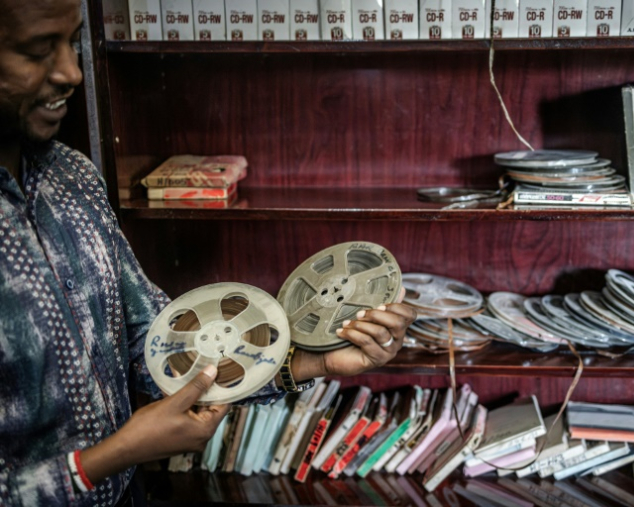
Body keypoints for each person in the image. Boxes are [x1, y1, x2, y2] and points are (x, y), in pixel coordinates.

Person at [0, 1, 416, 505]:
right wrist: (109, 458)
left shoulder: (73, 176)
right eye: (39, 50)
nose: (70, 72)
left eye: (74, 42)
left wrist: (315, 362)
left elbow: (157, 350)